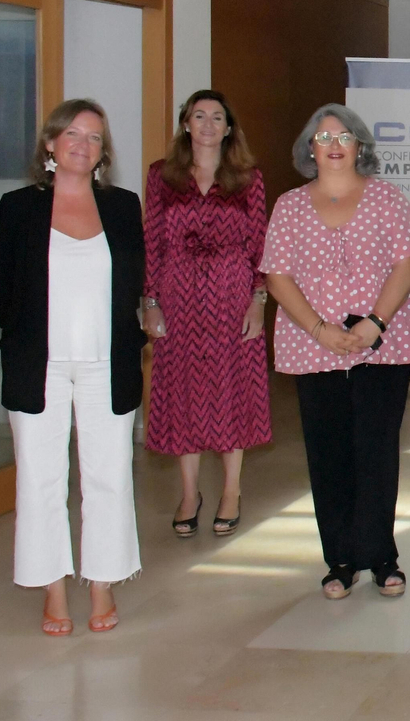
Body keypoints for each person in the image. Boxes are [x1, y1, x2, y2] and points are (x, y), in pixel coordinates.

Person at [0, 99, 147, 636]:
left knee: (109, 476)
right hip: (40, 366)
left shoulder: (123, 207)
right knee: (40, 478)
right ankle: (53, 589)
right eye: (72, 134)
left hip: (108, 362)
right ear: (51, 144)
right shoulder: (17, 206)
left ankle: (102, 583)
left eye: (95, 137)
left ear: (104, 152)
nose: (83, 144)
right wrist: (28, 337)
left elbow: (134, 284)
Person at [260, 104, 410, 601]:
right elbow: (276, 274)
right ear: (309, 147)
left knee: (376, 451)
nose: (333, 142)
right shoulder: (289, 205)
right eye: (323, 135)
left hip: (382, 342)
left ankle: (382, 556)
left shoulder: (387, 198)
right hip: (313, 345)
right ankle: (340, 559)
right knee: (328, 453)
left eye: (345, 135)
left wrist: (375, 322)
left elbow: (407, 262)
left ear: (360, 146)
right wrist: (318, 328)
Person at [143, 90, 270, 539]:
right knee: (182, 392)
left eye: (218, 117)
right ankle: (189, 493)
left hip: (231, 294)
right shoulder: (162, 175)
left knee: (229, 390)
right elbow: (151, 240)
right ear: (185, 124)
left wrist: (259, 298)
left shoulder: (247, 178)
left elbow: (261, 245)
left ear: (229, 127)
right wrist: (151, 301)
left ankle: (232, 490)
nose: (209, 124)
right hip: (178, 295)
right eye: (199, 116)